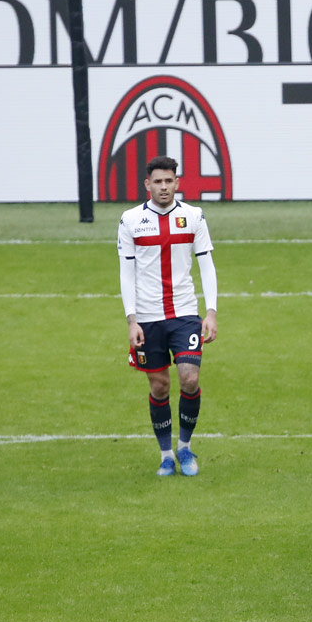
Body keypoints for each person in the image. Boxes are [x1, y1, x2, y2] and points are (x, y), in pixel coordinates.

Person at [117, 155, 219, 476]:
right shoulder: (130, 220)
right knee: (160, 386)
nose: (164, 187)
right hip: (147, 318)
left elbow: (207, 265)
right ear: (147, 185)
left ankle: (185, 448)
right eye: (157, 182)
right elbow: (126, 274)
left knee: (190, 378)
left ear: (178, 182)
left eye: (169, 181)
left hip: (185, 312)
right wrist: (131, 319)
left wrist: (211, 312)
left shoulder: (194, 216)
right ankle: (165, 455)